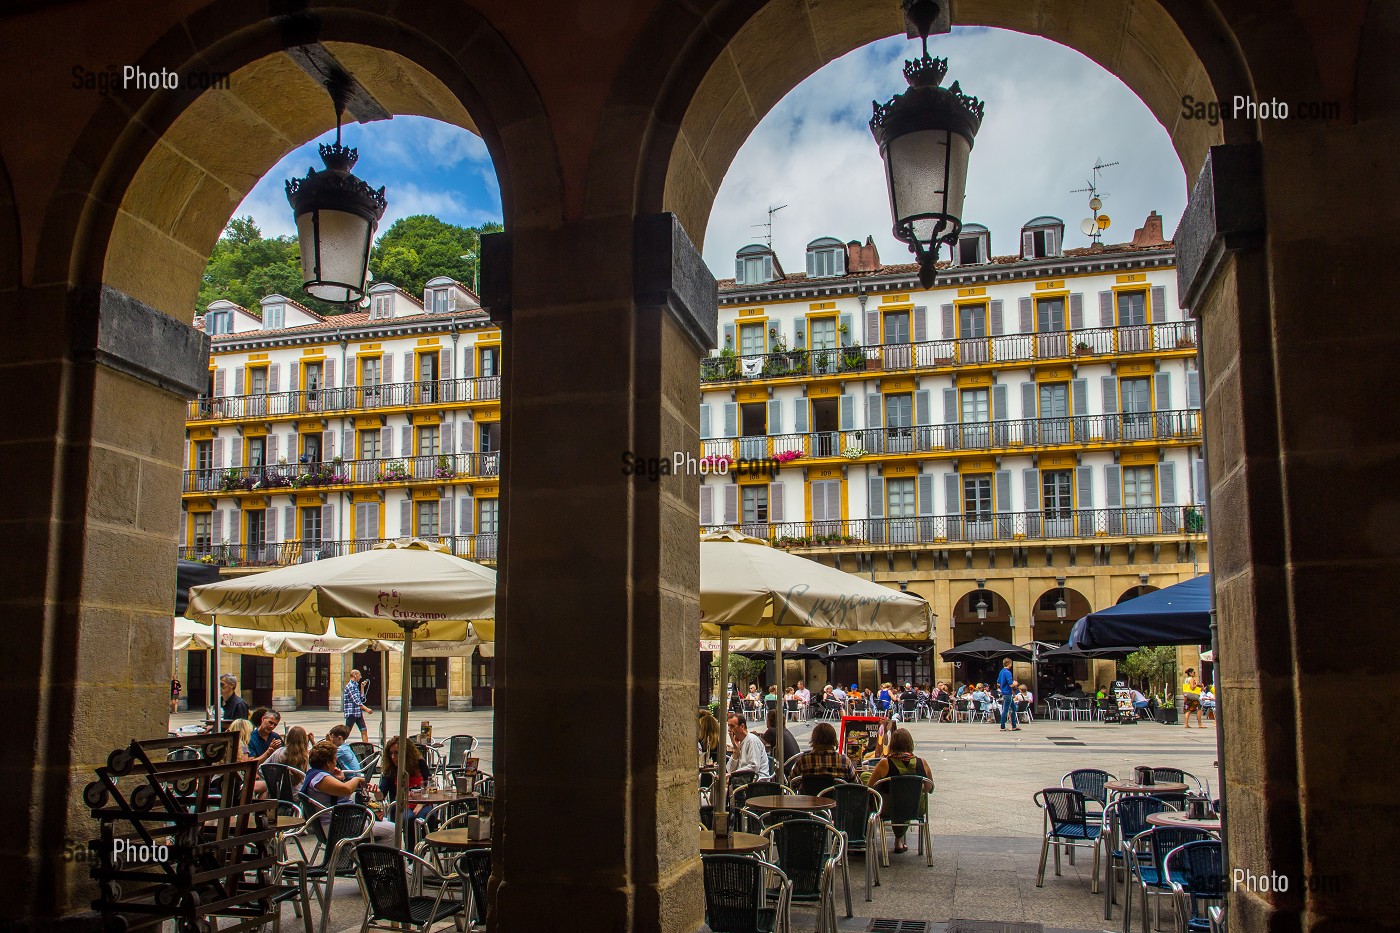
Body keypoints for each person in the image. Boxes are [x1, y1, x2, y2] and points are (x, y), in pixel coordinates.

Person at [301, 741, 395, 841]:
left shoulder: (314, 774)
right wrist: (356, 779)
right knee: (393, 830)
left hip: (339, 820)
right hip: (339, 825)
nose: (335, 764)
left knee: (385, 822)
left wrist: (340, 779)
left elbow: (335, 792)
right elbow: (347, 790)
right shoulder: (321, 777)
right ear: (328, 763)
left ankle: (369, 854)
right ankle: (378, 856)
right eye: (334, 760)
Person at [867, 728, 932, 854]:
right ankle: (898, 841)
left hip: (888, 807)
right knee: (906, 798)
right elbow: (929, 788)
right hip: (915, 807)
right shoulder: (922, 763)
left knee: (866, 778)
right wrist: (914, 789)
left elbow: (870, 788)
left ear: (892, 744)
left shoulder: (884, 763)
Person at [788, 722, 857, 791]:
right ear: (834, 739)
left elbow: (791, 783)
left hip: (810, 800)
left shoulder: (803, 760)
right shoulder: (844, 761)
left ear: (814, 739)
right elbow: (857, 785)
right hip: (838, 801)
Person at [725, 715, 772, 779]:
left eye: (732, 726)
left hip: (757, 782)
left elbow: (754, 767)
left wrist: (733, 774)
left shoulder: (752, 741)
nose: (729, 730)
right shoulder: (740, 742)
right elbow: (730, 770)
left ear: (742, 727)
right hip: (743, 780)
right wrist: (736, 751)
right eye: (728, 726)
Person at [342, 669, 372, 744]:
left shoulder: (355, 685)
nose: (361, 677)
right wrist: (367, 709)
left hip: (358, 713)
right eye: (359, 675)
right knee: (346, 732)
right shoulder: (350, 686)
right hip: (351, 713)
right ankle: (340, 746)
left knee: (364, 730)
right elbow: (356, 701)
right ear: (355, 675)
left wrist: (362, 687)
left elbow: (362, 699)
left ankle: (367, 747)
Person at [997, 660, 1020, 731]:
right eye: (1011, 663)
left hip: (1004, 693)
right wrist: (1015, 683)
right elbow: (1010, 684)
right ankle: (1002, 726)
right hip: (1008, 693)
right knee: (1005, 710)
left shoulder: (1001, 672)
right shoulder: (1008, 672)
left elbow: (998, 683)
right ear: (1008, 664)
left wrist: (1003, 687)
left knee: (1013, 708)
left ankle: (1014, 725)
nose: (1011, 665)